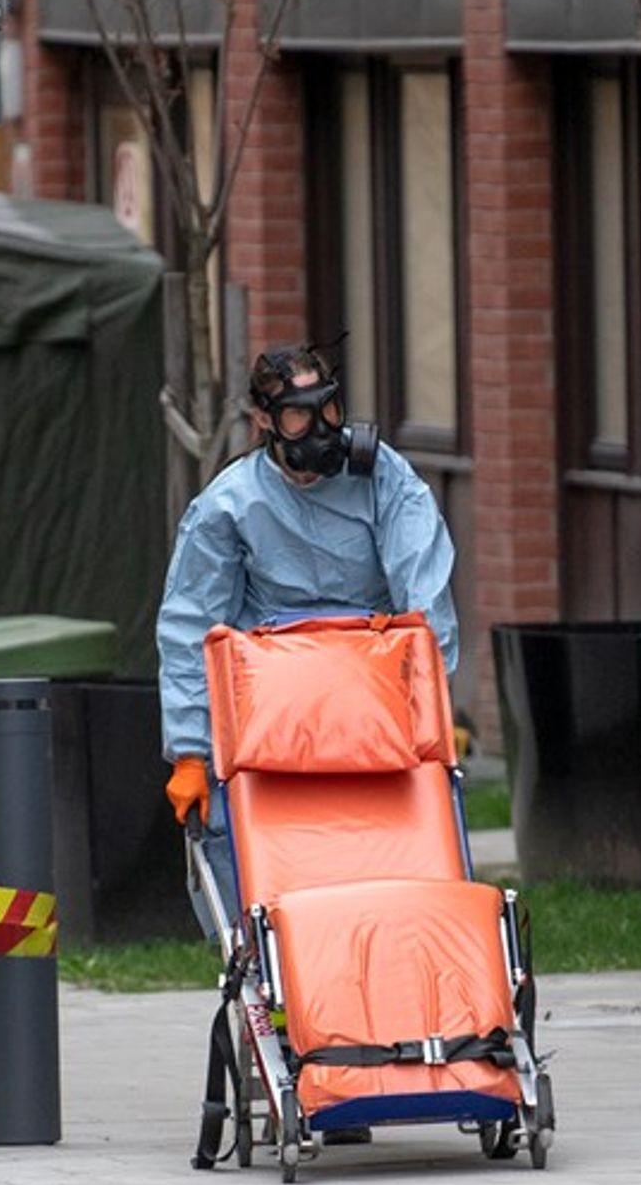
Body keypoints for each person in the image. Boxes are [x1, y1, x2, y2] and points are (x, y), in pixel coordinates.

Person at [156, 344, 463, 828]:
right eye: (299, 416)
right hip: (273, 710)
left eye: (329, 409)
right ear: (263, 418)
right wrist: (191, 752)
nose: (322, 428)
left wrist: (433, 704)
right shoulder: (229, 504)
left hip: (373, 696)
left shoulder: (384, 477)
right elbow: (191, 622)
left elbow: (424, 593)